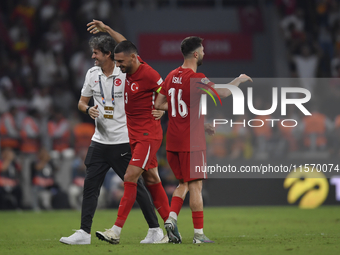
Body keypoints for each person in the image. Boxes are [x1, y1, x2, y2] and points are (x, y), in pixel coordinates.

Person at [59, 34, 167, 245]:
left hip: (124, 139)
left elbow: (139, 65)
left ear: (109, 54)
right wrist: (88, 109)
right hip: (99, 140)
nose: (93, 57)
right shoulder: (91, 74)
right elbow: (81, 103)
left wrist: (160, 108)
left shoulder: (126, 71)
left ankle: (155, 229)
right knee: (90, 185)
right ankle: (83, 232)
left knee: (136, 185)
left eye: (96, 53)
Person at [155, 36, 252, 243]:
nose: (205, 53)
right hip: (192, 141)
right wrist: (239, 80)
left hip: (172, 142)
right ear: (196, 54)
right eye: (203, 50)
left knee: (183, 183)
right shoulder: (196, 78)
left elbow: (159, 103)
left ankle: (171, 218)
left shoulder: (171, 75)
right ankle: (198, 235)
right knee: (196, 186)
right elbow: (224, 93)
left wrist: (194, 120)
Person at [86, 20, 170, 245]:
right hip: (133, 134)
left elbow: (168, 95)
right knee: (152, 177)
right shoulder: (130, 62)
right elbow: (123, 43)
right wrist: (106, 29)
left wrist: (162, 108)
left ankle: (115, 230)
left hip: (148, 135)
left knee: (130, 177)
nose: (118, 65)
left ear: (133, 58)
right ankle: (170, 227)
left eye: (121, 62)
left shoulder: (149, 74)